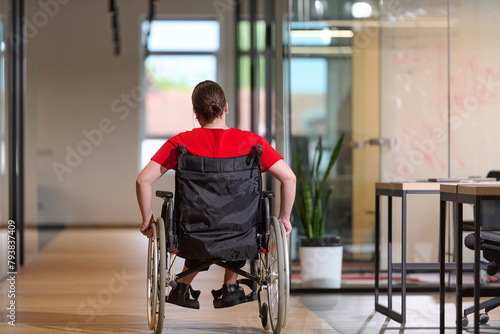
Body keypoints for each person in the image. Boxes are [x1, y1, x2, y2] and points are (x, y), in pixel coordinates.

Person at [136, 80, 296, 309]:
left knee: (204, 223)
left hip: (194, 233)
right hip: (241, 231)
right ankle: (231, 287)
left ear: (195, 113)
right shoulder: (252, 144)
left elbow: (143, 180)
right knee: (237, 218)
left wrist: (147, 220)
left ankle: (181, 286)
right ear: (226, 107)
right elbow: (289, 178)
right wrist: (284, 218)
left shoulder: (180, 144)